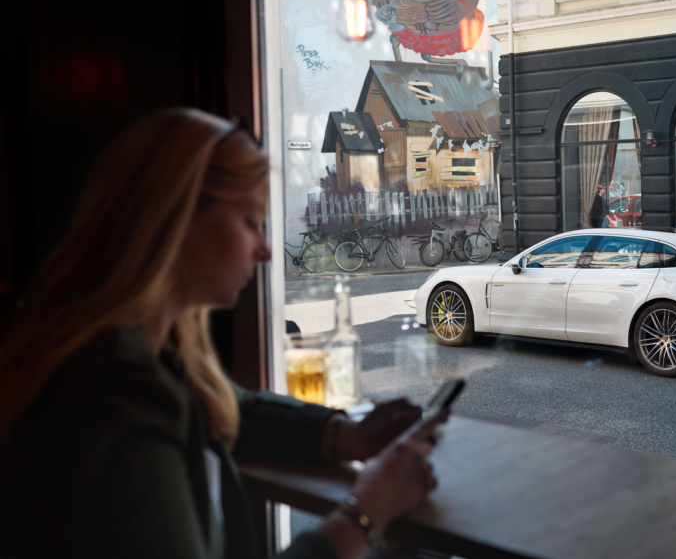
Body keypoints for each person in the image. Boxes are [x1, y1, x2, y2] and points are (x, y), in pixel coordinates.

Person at [0, 109, 446, 559]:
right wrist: (367, 511)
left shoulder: (135, 351)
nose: (265, 248)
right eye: (250, 221)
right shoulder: (118, 404)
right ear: (176, 223)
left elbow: (231, 410)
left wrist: (343, 435)